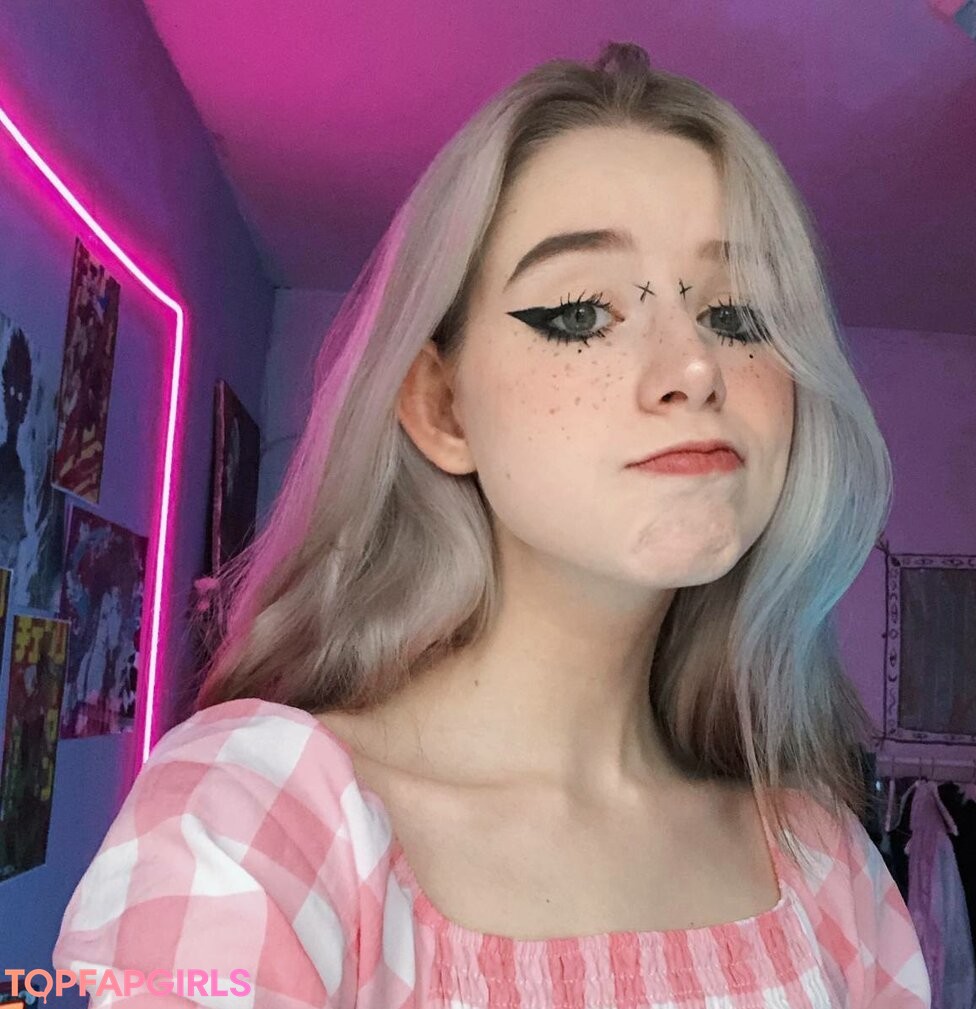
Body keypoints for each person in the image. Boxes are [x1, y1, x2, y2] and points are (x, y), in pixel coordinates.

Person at [52, 40, 931, 1009]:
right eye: (581, 312)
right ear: (443, 407)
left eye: (737, 314)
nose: (694, 367)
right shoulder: (253, 824)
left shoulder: (828, 870)